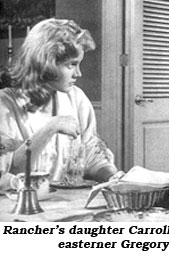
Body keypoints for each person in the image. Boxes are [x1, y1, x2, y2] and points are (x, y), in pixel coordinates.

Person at [0, 18, 120, 190]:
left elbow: (91, 156)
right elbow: (9, 171)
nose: (78, 73)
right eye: (71, 65)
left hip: (62, 202)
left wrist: (113, 175)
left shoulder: (76, 98)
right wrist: (50, 128)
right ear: (46, 63)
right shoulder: (5, 104)